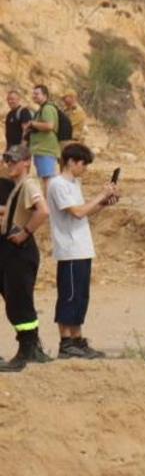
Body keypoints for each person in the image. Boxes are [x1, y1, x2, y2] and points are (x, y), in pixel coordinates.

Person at [47, 143, 118, 359]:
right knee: (68, 296)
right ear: (70, 161)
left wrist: (104, 203)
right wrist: (100, 194)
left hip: (82, 247)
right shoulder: (57, 184)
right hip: (69, 250)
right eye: (83, 164)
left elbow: (85, 211)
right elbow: (77, 212)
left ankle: (77, 339)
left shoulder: (74, 183)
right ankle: (66, 342)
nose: (85, 169)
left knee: (80, 297)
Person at [0, 145, 51, 370]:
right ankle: (31, 348)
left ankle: (28, 351)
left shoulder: (28, 184)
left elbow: (43, 211)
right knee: (16, 300)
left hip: (20, 250)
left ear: (26, 162)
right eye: (8, 160)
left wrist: (25, 233)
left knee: (20, 301)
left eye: (14, 160)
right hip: (11, 250)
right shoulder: (17, 186)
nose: (10, 164)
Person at [24, 85, 60, 182]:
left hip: (45, 150)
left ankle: (48, 197)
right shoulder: (41, 109)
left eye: (37, 94)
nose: (34, 96)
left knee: (47, 179)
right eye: (33, 94)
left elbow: (49, 126)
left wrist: (33, 123)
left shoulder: (47, 108)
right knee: (45, 179)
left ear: (45, 95)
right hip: (41, 149)